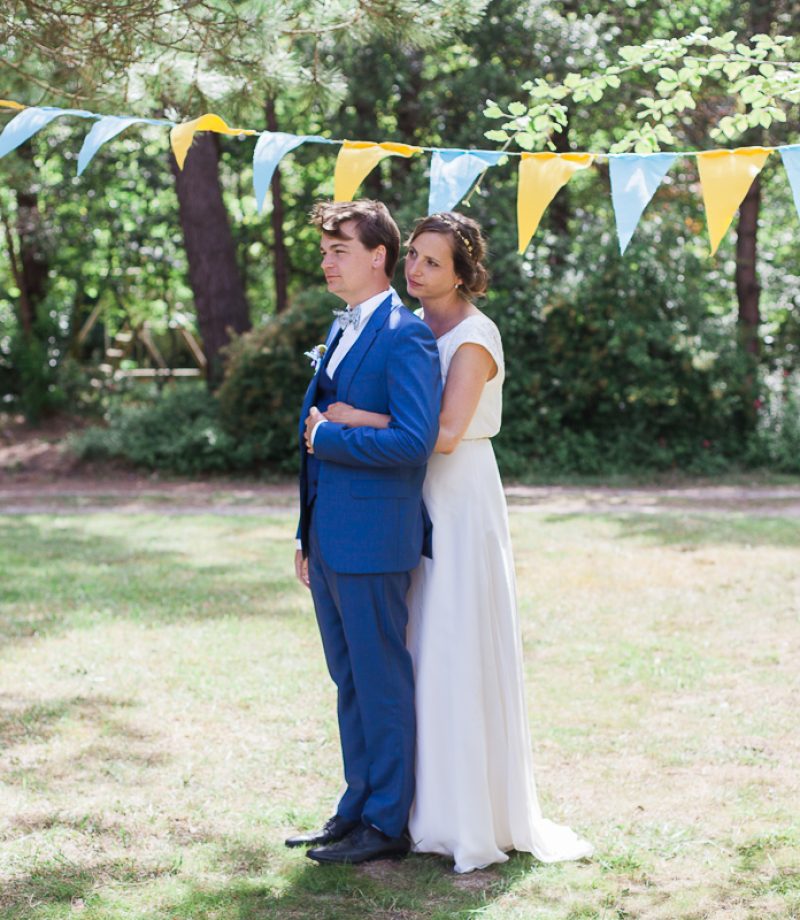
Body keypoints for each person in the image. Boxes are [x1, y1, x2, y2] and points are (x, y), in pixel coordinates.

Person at [323, 211, 593, 873]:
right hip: (408, 495)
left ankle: (464, 810)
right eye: (413, 255)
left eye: (432, 262)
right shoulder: (408, 326)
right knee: (413, 649)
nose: (415, 269)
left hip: (459, 497)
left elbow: (442, 434)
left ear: (463, 273)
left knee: (452, 643)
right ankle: (409, 803)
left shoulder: (474, 336)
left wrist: (356, 418)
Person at [287, 199, 442, 865]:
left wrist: (331, 437)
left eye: (340, 250)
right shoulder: (342, 326)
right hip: (329, 538)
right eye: (325, 251)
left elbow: (413, 442)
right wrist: (305, 534)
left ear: (378, 256)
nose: (327, 262)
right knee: (348, 678)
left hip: (375, 539)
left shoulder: (406, 336)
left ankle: (386, 823)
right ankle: (355, 807)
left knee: (381, 681)